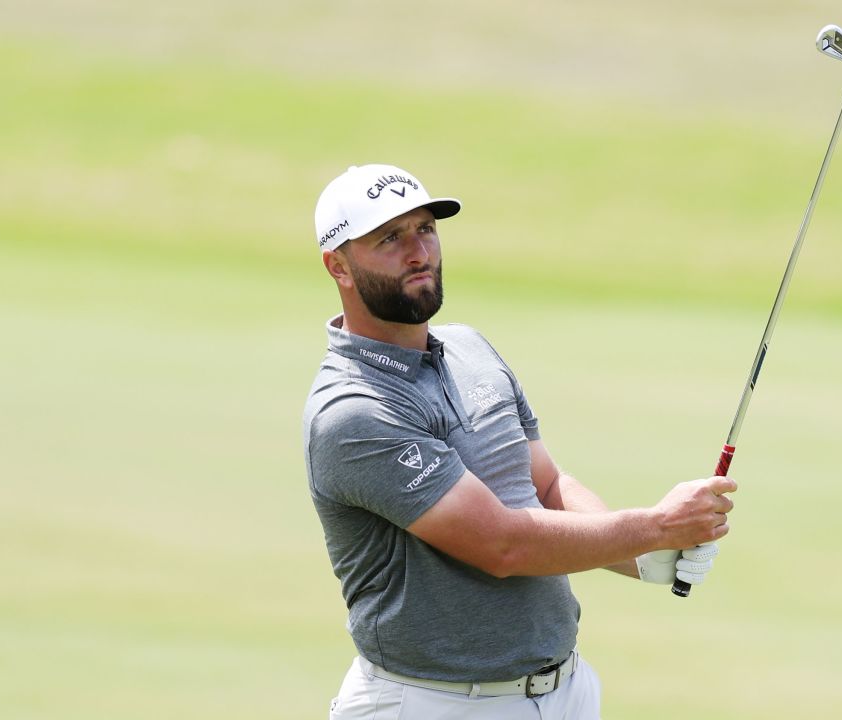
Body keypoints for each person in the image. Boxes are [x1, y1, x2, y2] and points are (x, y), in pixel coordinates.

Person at [302, 163, 737, 719]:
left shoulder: (470, 349)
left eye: (425, 230)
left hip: (565, 691)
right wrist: (654, 525)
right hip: (434, 703)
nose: (419, 253)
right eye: (389, 239)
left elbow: (546, 485)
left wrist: (646, 555)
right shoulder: (354, 411)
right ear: (337, 264)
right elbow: (502, 546)